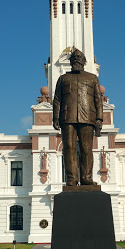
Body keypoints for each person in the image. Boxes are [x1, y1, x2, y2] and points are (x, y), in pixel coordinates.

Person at [53, 49, 103, 186]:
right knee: (69, 148)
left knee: (86, 148)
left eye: (79, 57)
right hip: (67, 117)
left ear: (84, 61)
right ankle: (72, 178)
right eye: (74, 57)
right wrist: (55, 118)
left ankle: (86, 177)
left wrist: (99, 119)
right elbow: (57, 99)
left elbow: (98, 100)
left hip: (87, 117)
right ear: (70, 61)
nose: (76, 59)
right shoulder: (63, 78)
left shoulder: (92, 78)